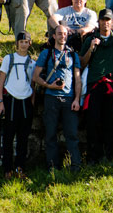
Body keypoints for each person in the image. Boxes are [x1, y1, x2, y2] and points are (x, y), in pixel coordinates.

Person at [80, 9, 113, 164]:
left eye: (108, 20)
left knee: (110, 121)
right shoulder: (90, 40)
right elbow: (82, 63)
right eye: (103, 20)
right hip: (94, 85)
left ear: (112, 22)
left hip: (112, 86)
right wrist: (91, 49)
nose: (106, 23)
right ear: (98, 22)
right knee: (92, 121)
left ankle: (110, 155)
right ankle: (93, 156)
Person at [33, 25, 82, 171]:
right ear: (54, 36)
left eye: (65, 34)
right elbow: (35, 77)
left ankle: (75, 166)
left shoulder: (73, 55)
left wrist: (77, 99)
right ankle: (52, 167)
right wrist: (49, 86)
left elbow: (78, 79)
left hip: (69, 99)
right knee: (50, 134)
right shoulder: (46, 53)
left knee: (72, 134)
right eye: (59, 34)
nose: (62, 36)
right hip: (51, 98)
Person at [0, 32, 35, 179]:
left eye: (26, 42)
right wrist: (0, 101)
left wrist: (32, 102)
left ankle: (20, 168)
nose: (24, 44)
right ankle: (7, 169)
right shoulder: (8, 58)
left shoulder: (32, 62)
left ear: (30, 44)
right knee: (8, 137)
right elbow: (1, 80)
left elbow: (32, 84)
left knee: (23, 138)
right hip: (10, 101)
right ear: (17, 43)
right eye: (21, 42)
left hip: (25, 102)